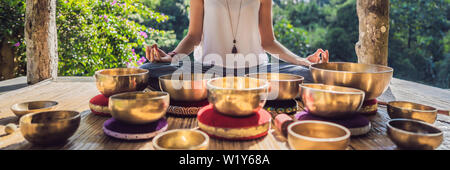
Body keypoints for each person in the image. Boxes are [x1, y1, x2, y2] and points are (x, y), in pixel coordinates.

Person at [140, 0, 329, 90]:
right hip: (207, 70)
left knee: (314, 74)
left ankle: (213, 90)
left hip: (256, 70)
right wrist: (172, 56)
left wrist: (302, 61)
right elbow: (193, 36)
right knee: (147, 70)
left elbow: (269, 42)